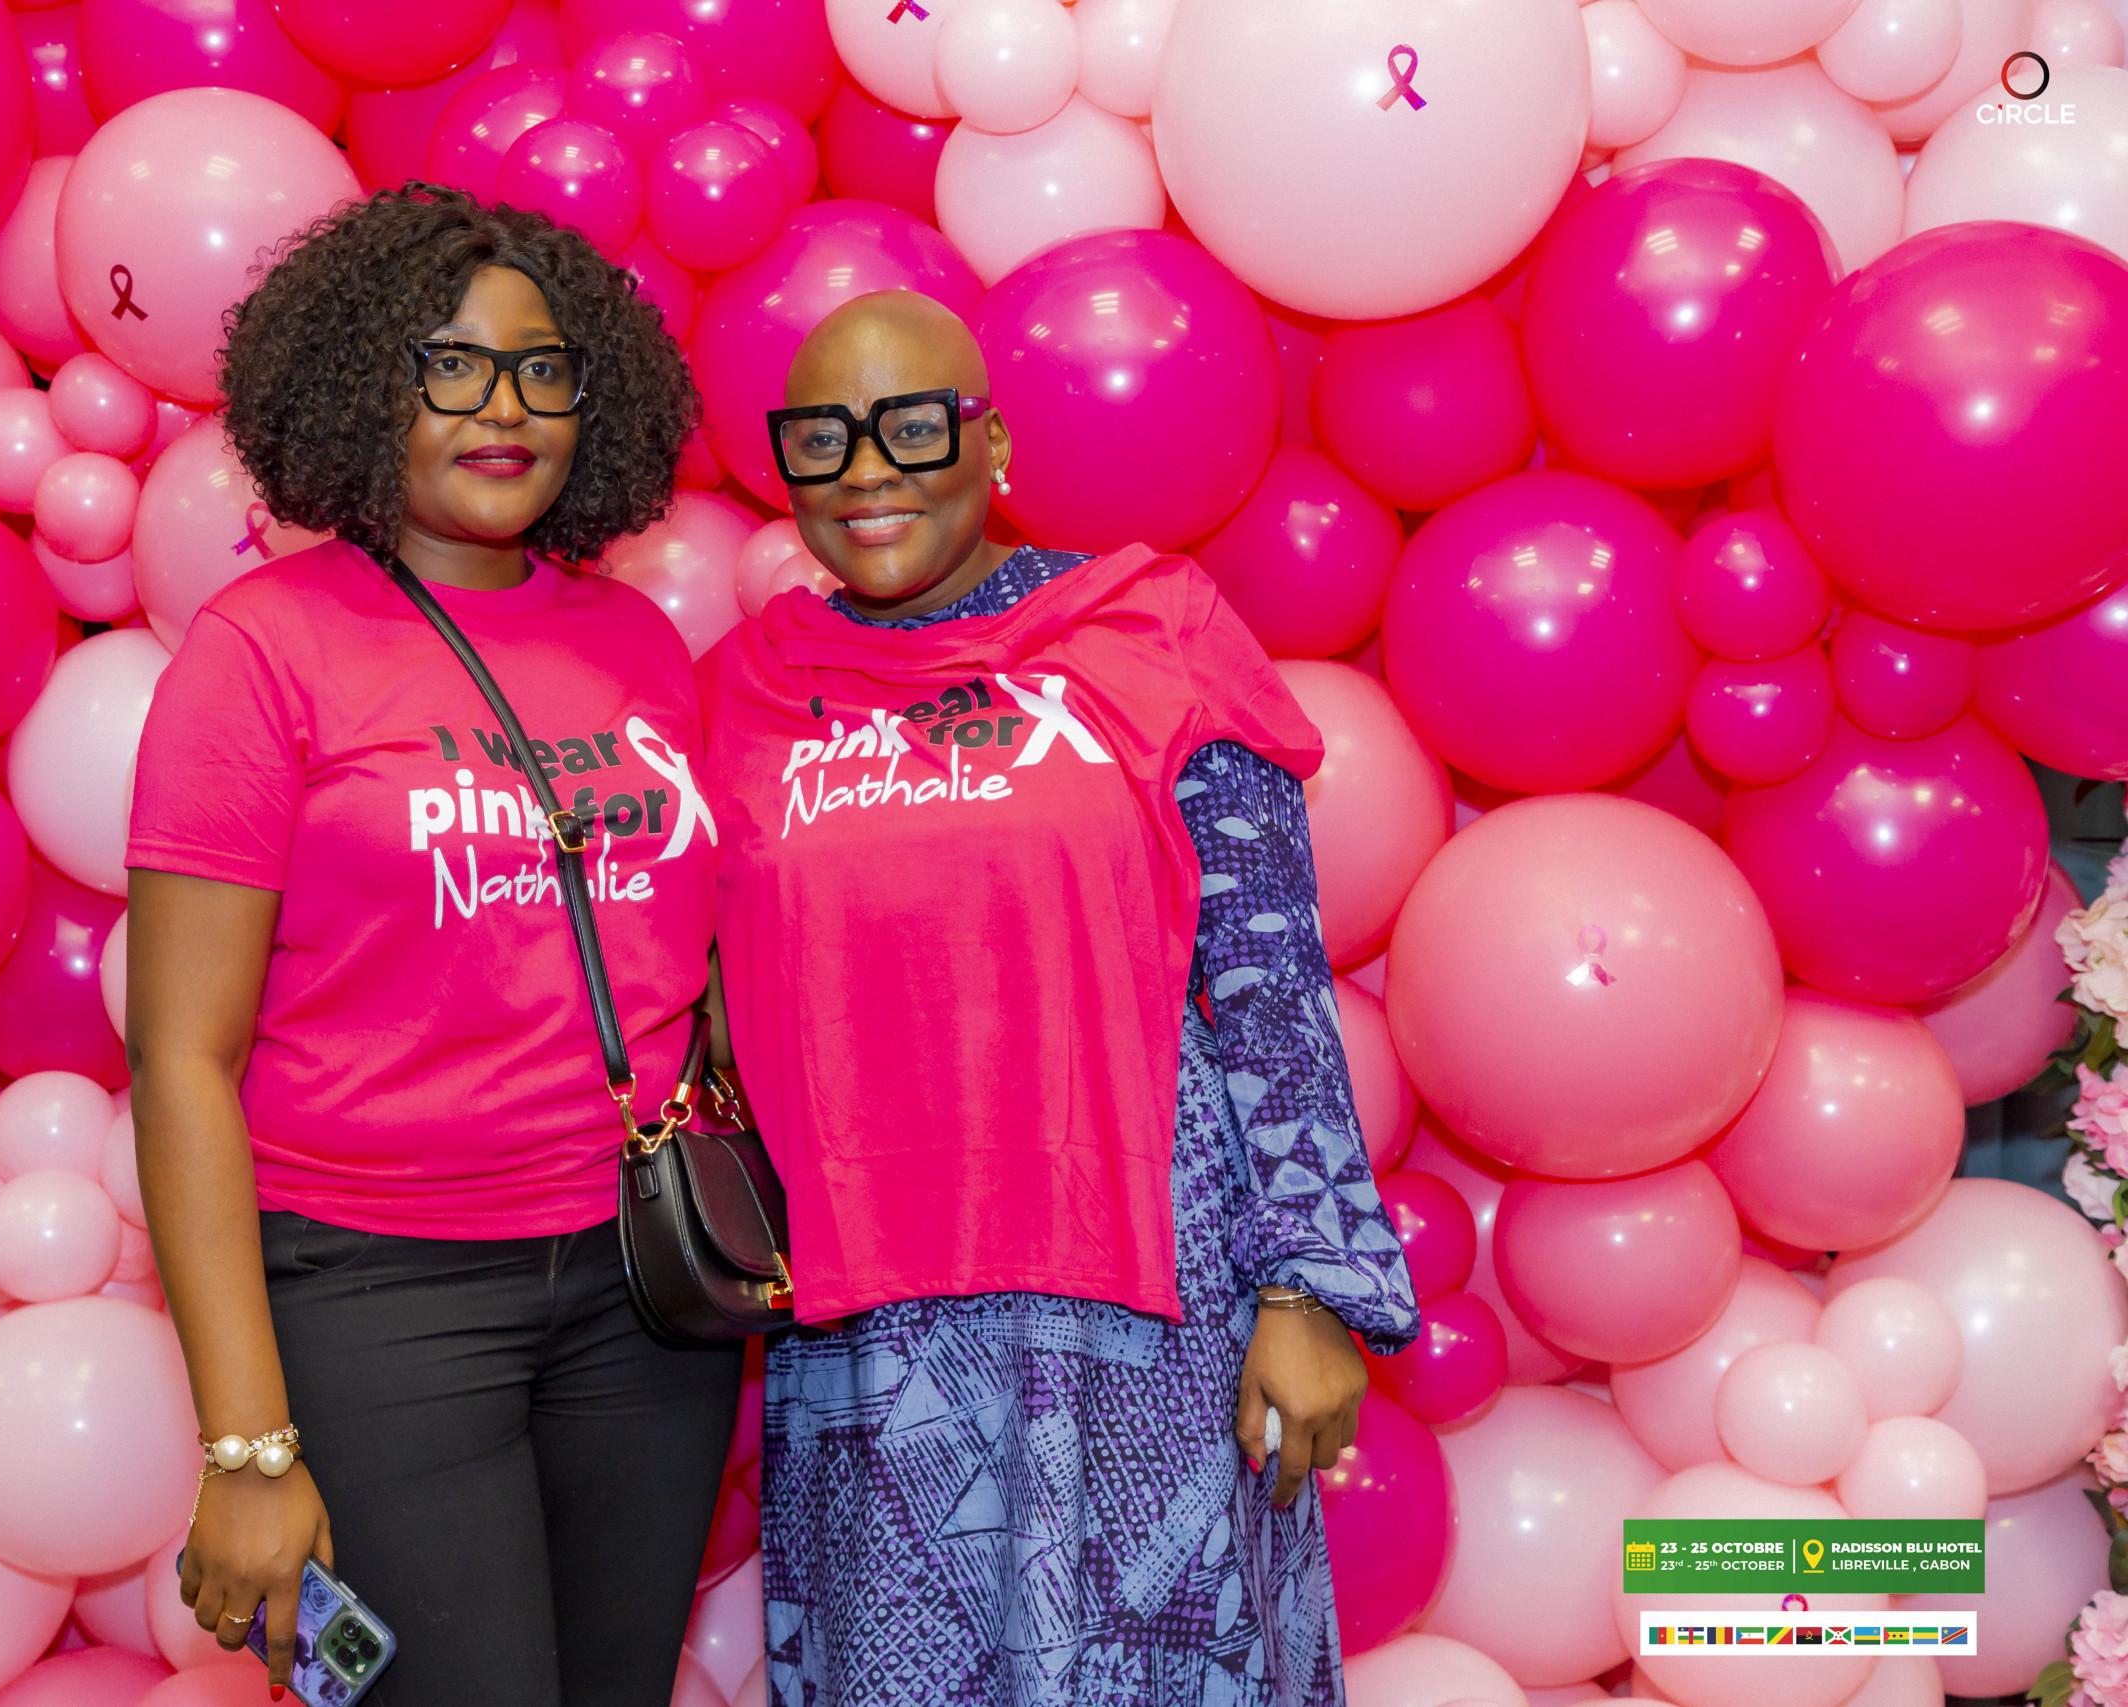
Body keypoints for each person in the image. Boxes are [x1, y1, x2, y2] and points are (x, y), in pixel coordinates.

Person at [698, 291, 1421, 1706]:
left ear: (994, 443)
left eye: (913, 427)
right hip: (876, 1337)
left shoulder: (1147, 630)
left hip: (1150, 1303)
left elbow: (1269, 977)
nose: (867, 471)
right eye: (823, 438)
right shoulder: (750, 691)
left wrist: (1307, 1286)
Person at [123, 184, 741, 1707]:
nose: (502, 408)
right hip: (378, 1294)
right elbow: (182, 1059)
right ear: (360, 389)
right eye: (449, 366)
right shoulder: (261, 651)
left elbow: (695, 958)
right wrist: (248, 1448)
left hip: (646, 1289)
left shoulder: (638, 644)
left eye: (540, 369)